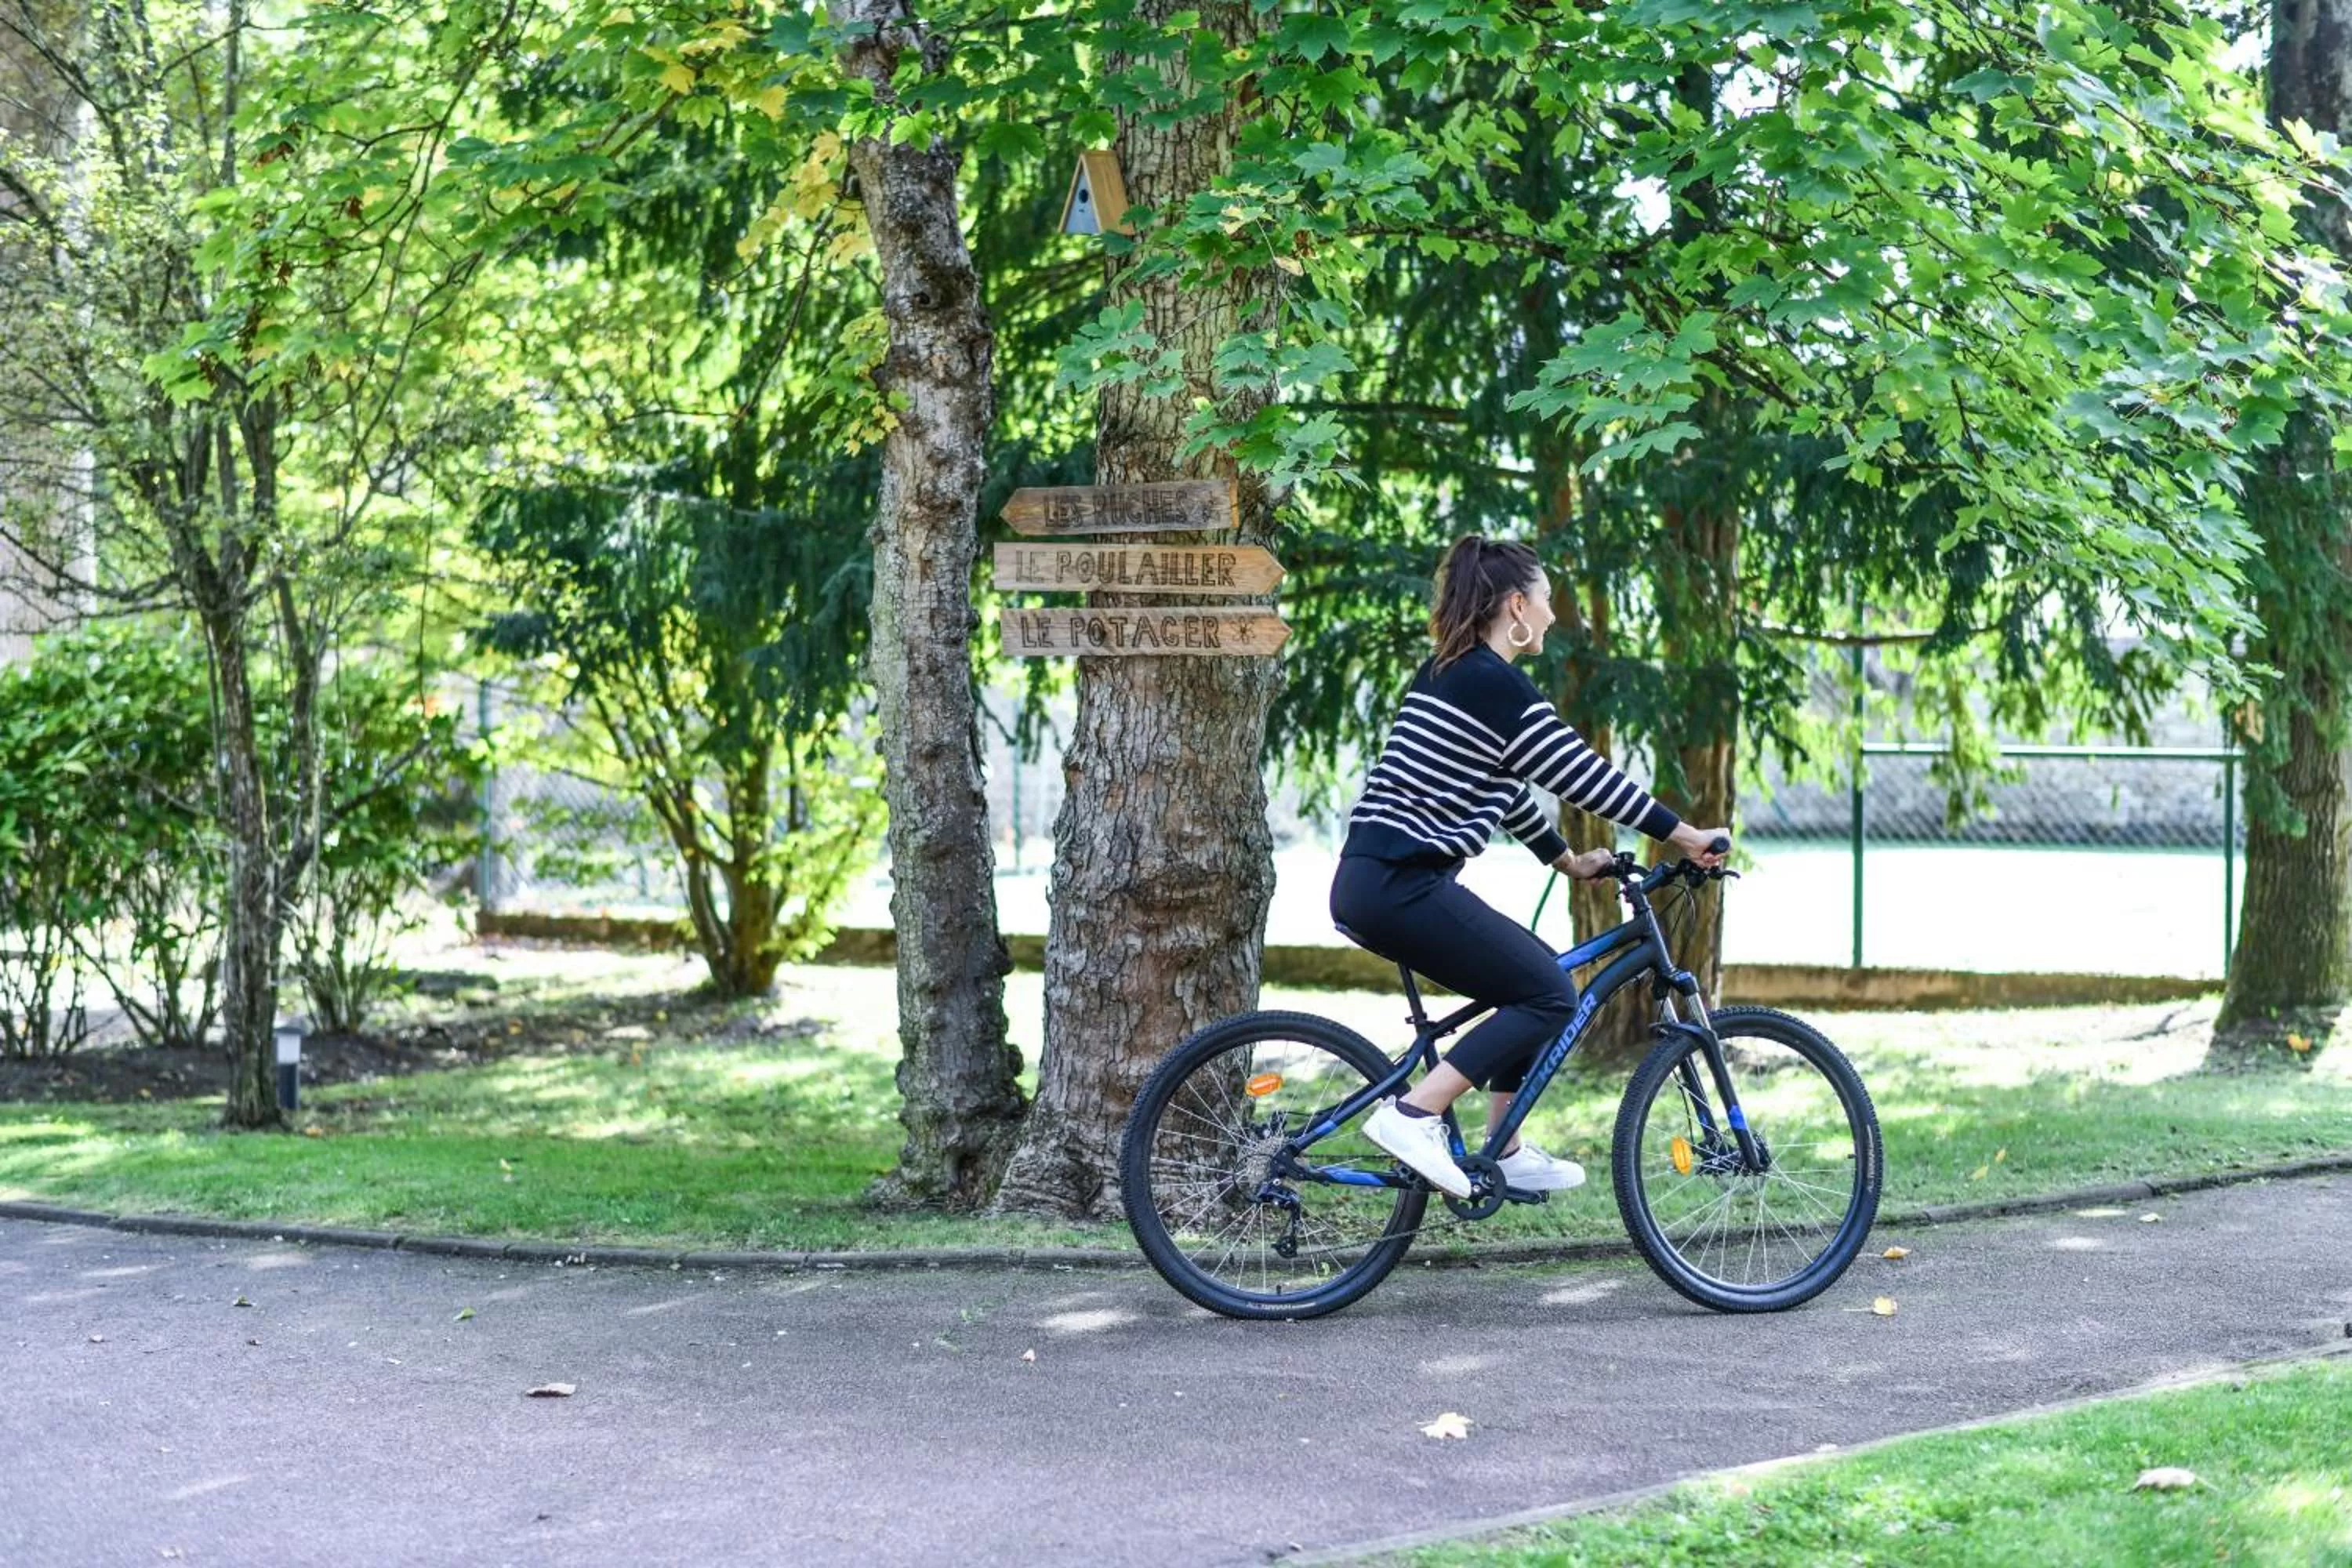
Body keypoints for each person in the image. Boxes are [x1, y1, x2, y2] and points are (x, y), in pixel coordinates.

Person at [1330, 535, 1727, 1200]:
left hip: (1380, 882)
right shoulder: (1492, 683)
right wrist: (1684, 834)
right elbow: (1582, 776)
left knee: (1538, 975)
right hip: (1399, 884)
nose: (1550, 614)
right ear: (1516, 604)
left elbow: (1508, 786)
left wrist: (1566, 860)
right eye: (1546, 600)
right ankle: (1413, 1114)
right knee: (1551, 993)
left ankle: (1505, 1151)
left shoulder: (1451, 671)